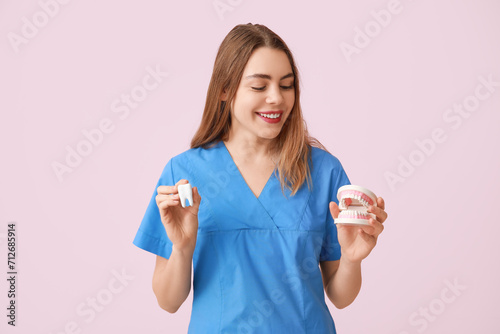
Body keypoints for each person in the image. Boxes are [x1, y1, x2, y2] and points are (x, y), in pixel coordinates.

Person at [133, 23, 388, 334]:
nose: (276, 99)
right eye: (259, 86)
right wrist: (183, 247)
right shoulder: (184, 174)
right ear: (225, 89)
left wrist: (351, 259)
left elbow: (341, 296)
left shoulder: (323, 171)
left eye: (286, 85)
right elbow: (168, 301)